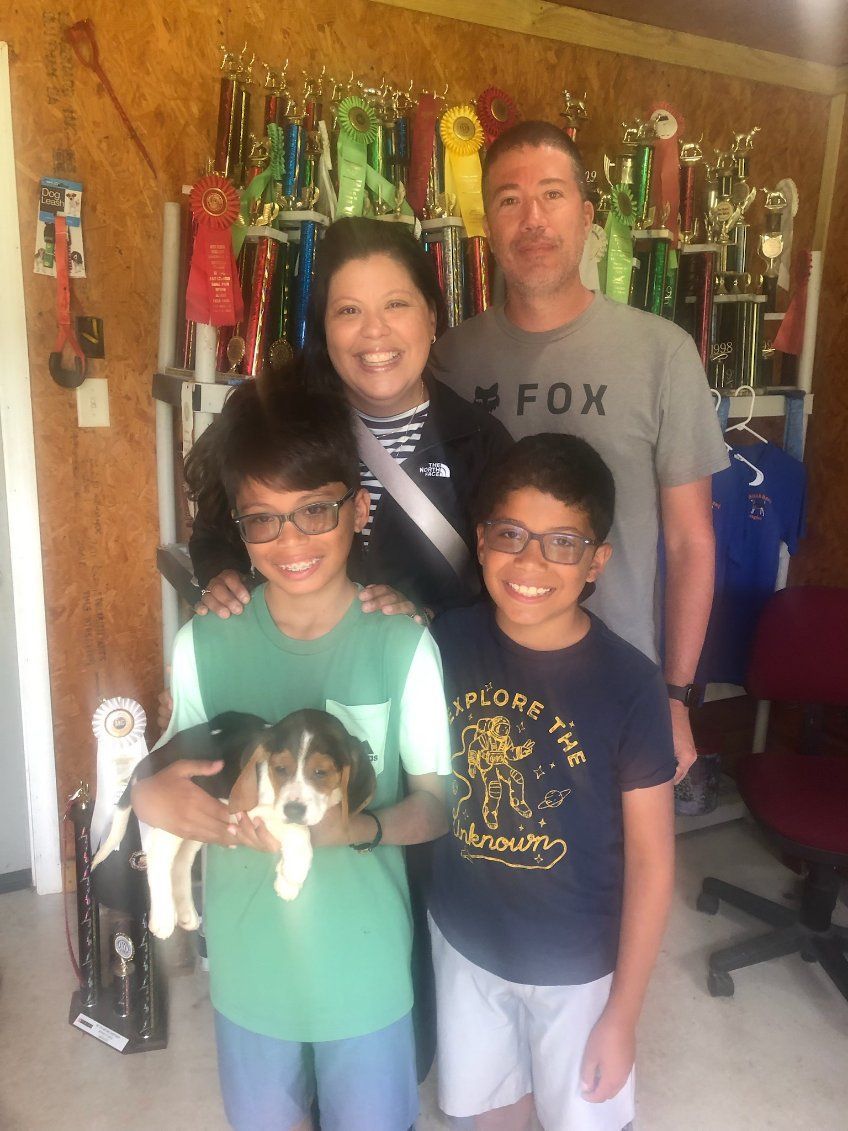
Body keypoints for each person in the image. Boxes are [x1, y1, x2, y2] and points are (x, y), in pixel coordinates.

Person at [133, 381, 452, 1131]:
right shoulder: (205, 643)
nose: (293, 541)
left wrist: (358, 828)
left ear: (359, 508)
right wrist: (150, 797)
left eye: (315, 509)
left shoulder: (402, 643)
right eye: (263, 521)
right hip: (250, 970)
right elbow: (167, 773)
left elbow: (437, 804)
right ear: (239, 530)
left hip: (366, 967)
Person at [431, 120, 728, 781]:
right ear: (489, 222)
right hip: (481, 685)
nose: (531, 218)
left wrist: (677, 697)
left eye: (552, 195)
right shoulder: (451, 359)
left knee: (615, 877)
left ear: (588, 216)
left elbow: (690, 541)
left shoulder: (662, 354)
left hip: (615, 689)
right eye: (509, 198)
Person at [428, 434, 676, 1131]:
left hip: (579, 970)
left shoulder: (630, 684)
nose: (531, 561)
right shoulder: (446, 641)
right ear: (480, 541)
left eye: (562, 542)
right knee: (491, 1110)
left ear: (597, 560)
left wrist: (622, 1015)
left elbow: (654, 861)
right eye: (511, 533)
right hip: (466, 943)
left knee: (584, 1118)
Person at [189, 216, 512, 624]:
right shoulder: (270, 416)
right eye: (348, 310)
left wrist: (428, 617)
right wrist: (221, 579)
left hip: (432, 678)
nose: (374, 331)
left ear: (431, 317)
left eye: (396, 304)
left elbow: (511, 585)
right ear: (325, 327)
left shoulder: (480, 441)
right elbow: (214, 531)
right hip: (303, 674)